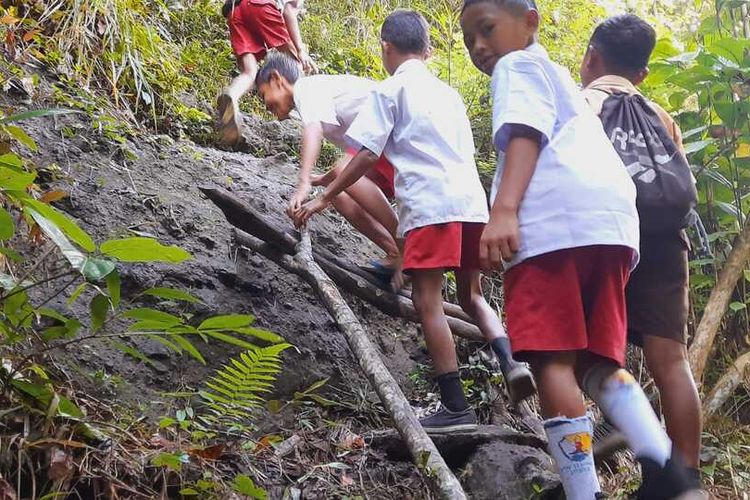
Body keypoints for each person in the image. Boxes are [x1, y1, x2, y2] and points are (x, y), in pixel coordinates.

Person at [460, 0, 701, 498]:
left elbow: (525, 134)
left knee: (553, 361)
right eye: (469, 40)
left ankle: (581, 491)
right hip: (613, 230)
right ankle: (668, 474)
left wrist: (504, 210)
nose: (480, 47)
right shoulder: (562, 79)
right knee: (596, 363)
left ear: (529, 22)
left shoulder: (518, 64)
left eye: (486, 29)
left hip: (555, 230)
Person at [295, 9, 536, 428]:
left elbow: (366, 154)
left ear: (387, 48)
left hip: (430, 208)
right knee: (472, 297)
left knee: (427, 301)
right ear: (427, 49)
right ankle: (512, 361)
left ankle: (454, 406)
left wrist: (322, 198)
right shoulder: (450, 94)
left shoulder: (389, 91)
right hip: (473, 207)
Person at [580, 13, 703, 487]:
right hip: (667, 244)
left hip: (608, 238)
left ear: (591, 57)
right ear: (643, 74)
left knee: (595, 350)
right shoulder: (660, 116)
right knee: (671, 361)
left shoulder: (582, 102)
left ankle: (619, 426)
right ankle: (685, 476)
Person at [254, 52, 400, 280]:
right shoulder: (314, 98)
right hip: (382, 146)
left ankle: (406, 242)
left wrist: (303, 183)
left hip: (395, 139)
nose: (266, 105)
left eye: (264, 95)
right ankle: (395, 250)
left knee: (340, 177)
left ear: (276, 79)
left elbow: (314, 131)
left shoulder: (307, 89)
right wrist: (322, 179)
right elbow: (354, 156)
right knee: (338, 194)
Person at [217, 0, 317, 147]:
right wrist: (301, 50)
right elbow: (289, 12)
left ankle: (232, 95)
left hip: (235, 10)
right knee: (295, 61)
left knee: (249, 72)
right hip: (260, 5)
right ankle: (297, 111)